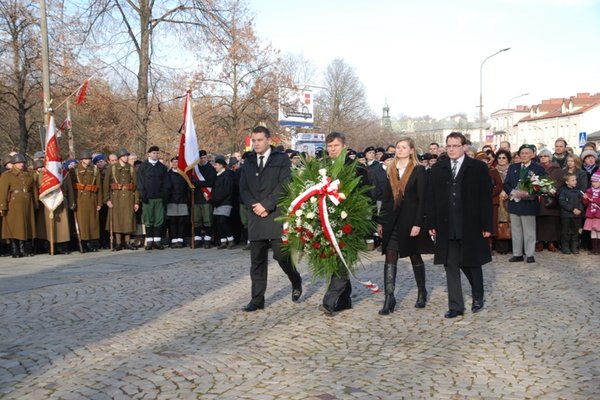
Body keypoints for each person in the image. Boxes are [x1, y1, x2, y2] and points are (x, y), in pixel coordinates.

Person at [427, 132, 492, 319]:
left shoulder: (477, 167)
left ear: (464, 147)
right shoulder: (438, 168)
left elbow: (484, 198)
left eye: (455, 146)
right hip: (446, 223)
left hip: (470, 223)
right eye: (449, 146)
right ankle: (455, 305)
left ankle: (478, 296)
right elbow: (431, 198)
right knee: (451, 264)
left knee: (471, 262)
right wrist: (431, 222)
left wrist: (486, 225)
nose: (452, 149)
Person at [239, 126, 302, 312]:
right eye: (253, 140)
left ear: (268, 140)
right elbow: (243, 188)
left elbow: (284, 185)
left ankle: (295, 279)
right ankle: (257, 299)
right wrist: (255, 206)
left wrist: (266, 205)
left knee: (281, 255)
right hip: (255, 215)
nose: (256, 143)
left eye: (259, 140)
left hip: (275, 214)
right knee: (257, 260)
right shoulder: (248, 161)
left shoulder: (281, 159)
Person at [319, 131, 371, 316]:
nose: (332, 149)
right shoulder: (322, 168)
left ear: (344, 147)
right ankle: (345, 299)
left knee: (342, 259)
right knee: (336, 259)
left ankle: (329, 300)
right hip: (327, 220)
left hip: (350, 221)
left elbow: (367, 195)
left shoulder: (357, 168)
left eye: (336, 146)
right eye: (330, 146)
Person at [377, 137, 429, 315]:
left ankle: (422, 290)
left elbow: (423, 199)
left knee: (414, 255)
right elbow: (385, 198)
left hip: (410, 220)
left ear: (411, 150)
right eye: (398, 147)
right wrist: (380, 221)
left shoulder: (419, 170)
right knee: (390, 256)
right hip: (392, 220)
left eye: (403, 147)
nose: (399, 150)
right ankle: (389, 297)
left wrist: (418, 223)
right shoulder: (390, 169)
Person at [501, 144, 546, 263]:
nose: (524, 155)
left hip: (529, 203)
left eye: (527, 153)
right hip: (514, 202)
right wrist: (513, 192)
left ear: (532, 155)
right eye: (522, 153)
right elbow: (506, 184)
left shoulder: (538, 169)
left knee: (529, 231)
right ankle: (517, 254)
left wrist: (529, 193)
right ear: (519, 155)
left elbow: (542, 185)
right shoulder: (513, 167)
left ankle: (530, 254)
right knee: (516, 230)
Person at [0, 154, 38, 257]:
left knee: (26, 226)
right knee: (15, 227)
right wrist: (2, 206)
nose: (21, 164)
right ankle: (15, 250)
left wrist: (36, 203)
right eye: (19, 163)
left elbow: (34, 190)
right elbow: (3, 192)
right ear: (13, 164)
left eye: (22, 162)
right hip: (13, 204)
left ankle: (24, 249)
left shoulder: (28, 175)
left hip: (27, 203)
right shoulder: (7, 175)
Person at [104, 148, 139, 251]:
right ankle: (118, 243)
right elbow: (106, 185)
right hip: (116, 197)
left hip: (128, 196)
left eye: (127, 156)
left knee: (128, 219)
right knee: (117, 219)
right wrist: (107, 200)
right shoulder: (112, 168)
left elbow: (136, 187)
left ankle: (127, 242)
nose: (126, 157)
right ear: (119, 157)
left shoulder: (131, 168)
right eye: (124, 156)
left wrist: (136, 201)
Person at [137, 146, 169, 250]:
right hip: (148, 198)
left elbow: (166, 183)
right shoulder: (143, 167)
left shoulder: (162, 167)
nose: (155, 155)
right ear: (149, 154)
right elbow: (140, 182)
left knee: (158, 219)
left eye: (157, 153)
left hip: (159, 198)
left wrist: (164, 195)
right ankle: (149, 241)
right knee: (148, 219)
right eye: (154, 153)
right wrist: (143, 195)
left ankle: (157, 241)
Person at [71, 149, 102, 252]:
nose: (88, 160)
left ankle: (93, 243)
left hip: (92, 198)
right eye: (86, 159)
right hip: (79, 199)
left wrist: (99, 202)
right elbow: (70, 188)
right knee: (82, 222)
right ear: (81, 160)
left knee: (93, 221)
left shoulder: (95, 170)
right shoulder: (74, 170)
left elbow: (99, 187)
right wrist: (72, 202)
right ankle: (83, 242)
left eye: (89, 159)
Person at [535, 148, 563, 252]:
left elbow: (560, 181)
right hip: (540, 197)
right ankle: (541, 242)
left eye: (545, 156)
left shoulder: (556, 168)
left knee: (552, 221)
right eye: (541, 156)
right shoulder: (536, 168)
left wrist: (553, 188)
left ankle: (551, 242)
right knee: (540, 221)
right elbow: (533, 180)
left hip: (552, 197)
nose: (543, 158)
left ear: (550, 157)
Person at [193, 150, 217, 248]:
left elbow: (211, 182)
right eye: (201, 158)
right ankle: (197, 239)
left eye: (204, 158)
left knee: (207, 220)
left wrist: (198, 184)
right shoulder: (195, 168)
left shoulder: (211, 168)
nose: (202, 160)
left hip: (206, 197)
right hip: (196, 198)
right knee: (197, 220)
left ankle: (207, 239)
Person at [165, 156, 189, 249]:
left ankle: (180, 239)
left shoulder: (184, 174)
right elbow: (167, 188)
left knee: (182, 220)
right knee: (173, 221)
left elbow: (186, 187)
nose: (175, 164)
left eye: (177, 162)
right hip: (172, 200)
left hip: (182, 200)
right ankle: (173, 239)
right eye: (173, 162)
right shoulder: (168, 174)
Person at [211, 156, 235, 249]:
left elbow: (226, 190)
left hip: (225, 202)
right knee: (219, 223)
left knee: (223, 221)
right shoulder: (218, 176)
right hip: (217, 203)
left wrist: (217, 200)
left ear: (222, 165)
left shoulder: (227, 175)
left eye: (216, 165)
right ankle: (223, 240)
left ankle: (230, 239)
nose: (215, 166)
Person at [558, 173, 584, 254]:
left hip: (577, 216)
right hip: (566, 215)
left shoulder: (579, 191)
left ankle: (574, 247)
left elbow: (582, 201)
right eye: (573, 180)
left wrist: (580, 209)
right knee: (566, 232)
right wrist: (572, 209)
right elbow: (562, 202)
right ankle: (565, 247)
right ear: (567, 182)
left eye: (575, 180)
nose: (575, 181)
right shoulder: (563, 190)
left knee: (576, 232)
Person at [493, 149, 513, 254]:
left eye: (504, 158)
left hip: (511, 198)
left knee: (511, 221)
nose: (501, 160)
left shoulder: (512, 170)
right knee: (500, 221)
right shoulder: (493, 170)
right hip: (498, 198)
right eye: (499, 158)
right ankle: (501, 246)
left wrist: (507, 192)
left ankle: (512, 245)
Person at [582, 171, 600, 254]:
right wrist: (585, 198)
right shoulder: (589, 191)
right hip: (591, 214)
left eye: (596, 182)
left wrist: (593, 200)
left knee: (598, 231)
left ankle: (598, 249)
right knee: (592, 231)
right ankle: (594, 248)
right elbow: (585, 203)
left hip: (598, 214)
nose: (594, 184)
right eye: (593, 182)